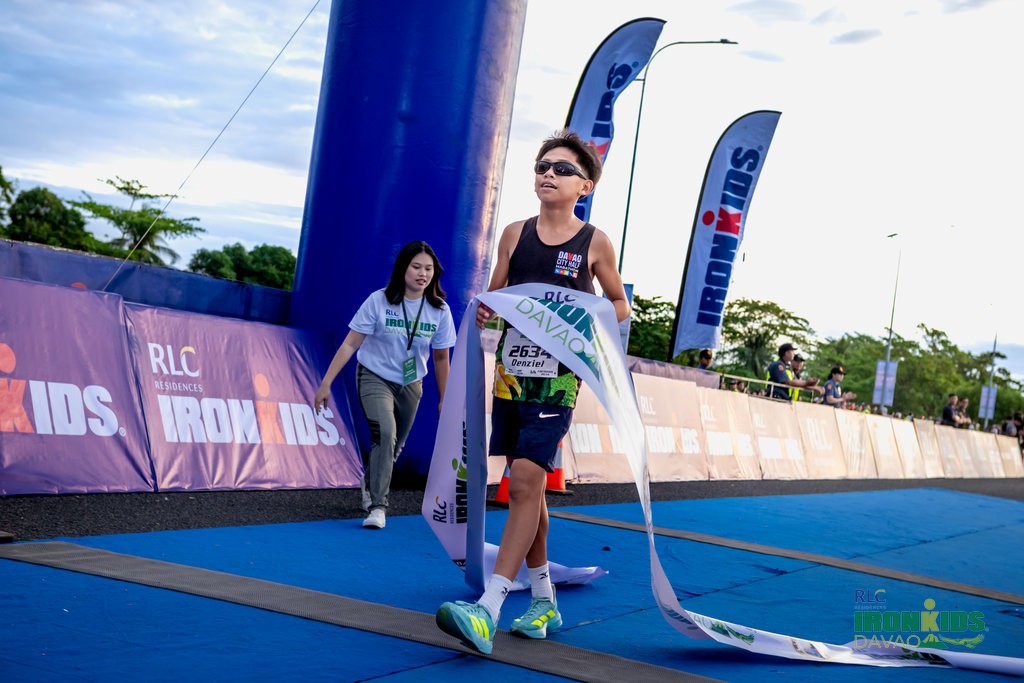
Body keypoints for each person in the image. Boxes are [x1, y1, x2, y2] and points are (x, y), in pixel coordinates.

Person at [435, 130, 629, 655]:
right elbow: (495, 295)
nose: (548, 174)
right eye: (543, 166)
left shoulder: (594, 242)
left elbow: (619, 305)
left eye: (563, 169)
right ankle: (544, 599)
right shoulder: (514, 233)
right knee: (530, 488)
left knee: (523, 481)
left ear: (585, 186)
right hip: (512, 373)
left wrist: (579, 318)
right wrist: (486, 309)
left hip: (559, 378)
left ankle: (488, 608)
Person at [314, 241, 456, 530]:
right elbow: (350, 343)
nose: (422, 274)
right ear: (402, 268)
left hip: (411, 383)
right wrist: (326, 382)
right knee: (386, 434)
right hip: (374, 376)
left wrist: (446, 398)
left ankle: (369, 482)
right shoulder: (378, 301)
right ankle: (378, 507)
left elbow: (441, 359)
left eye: (428, 269)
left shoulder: (439, 310)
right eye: (416, 267)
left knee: (394, 445)